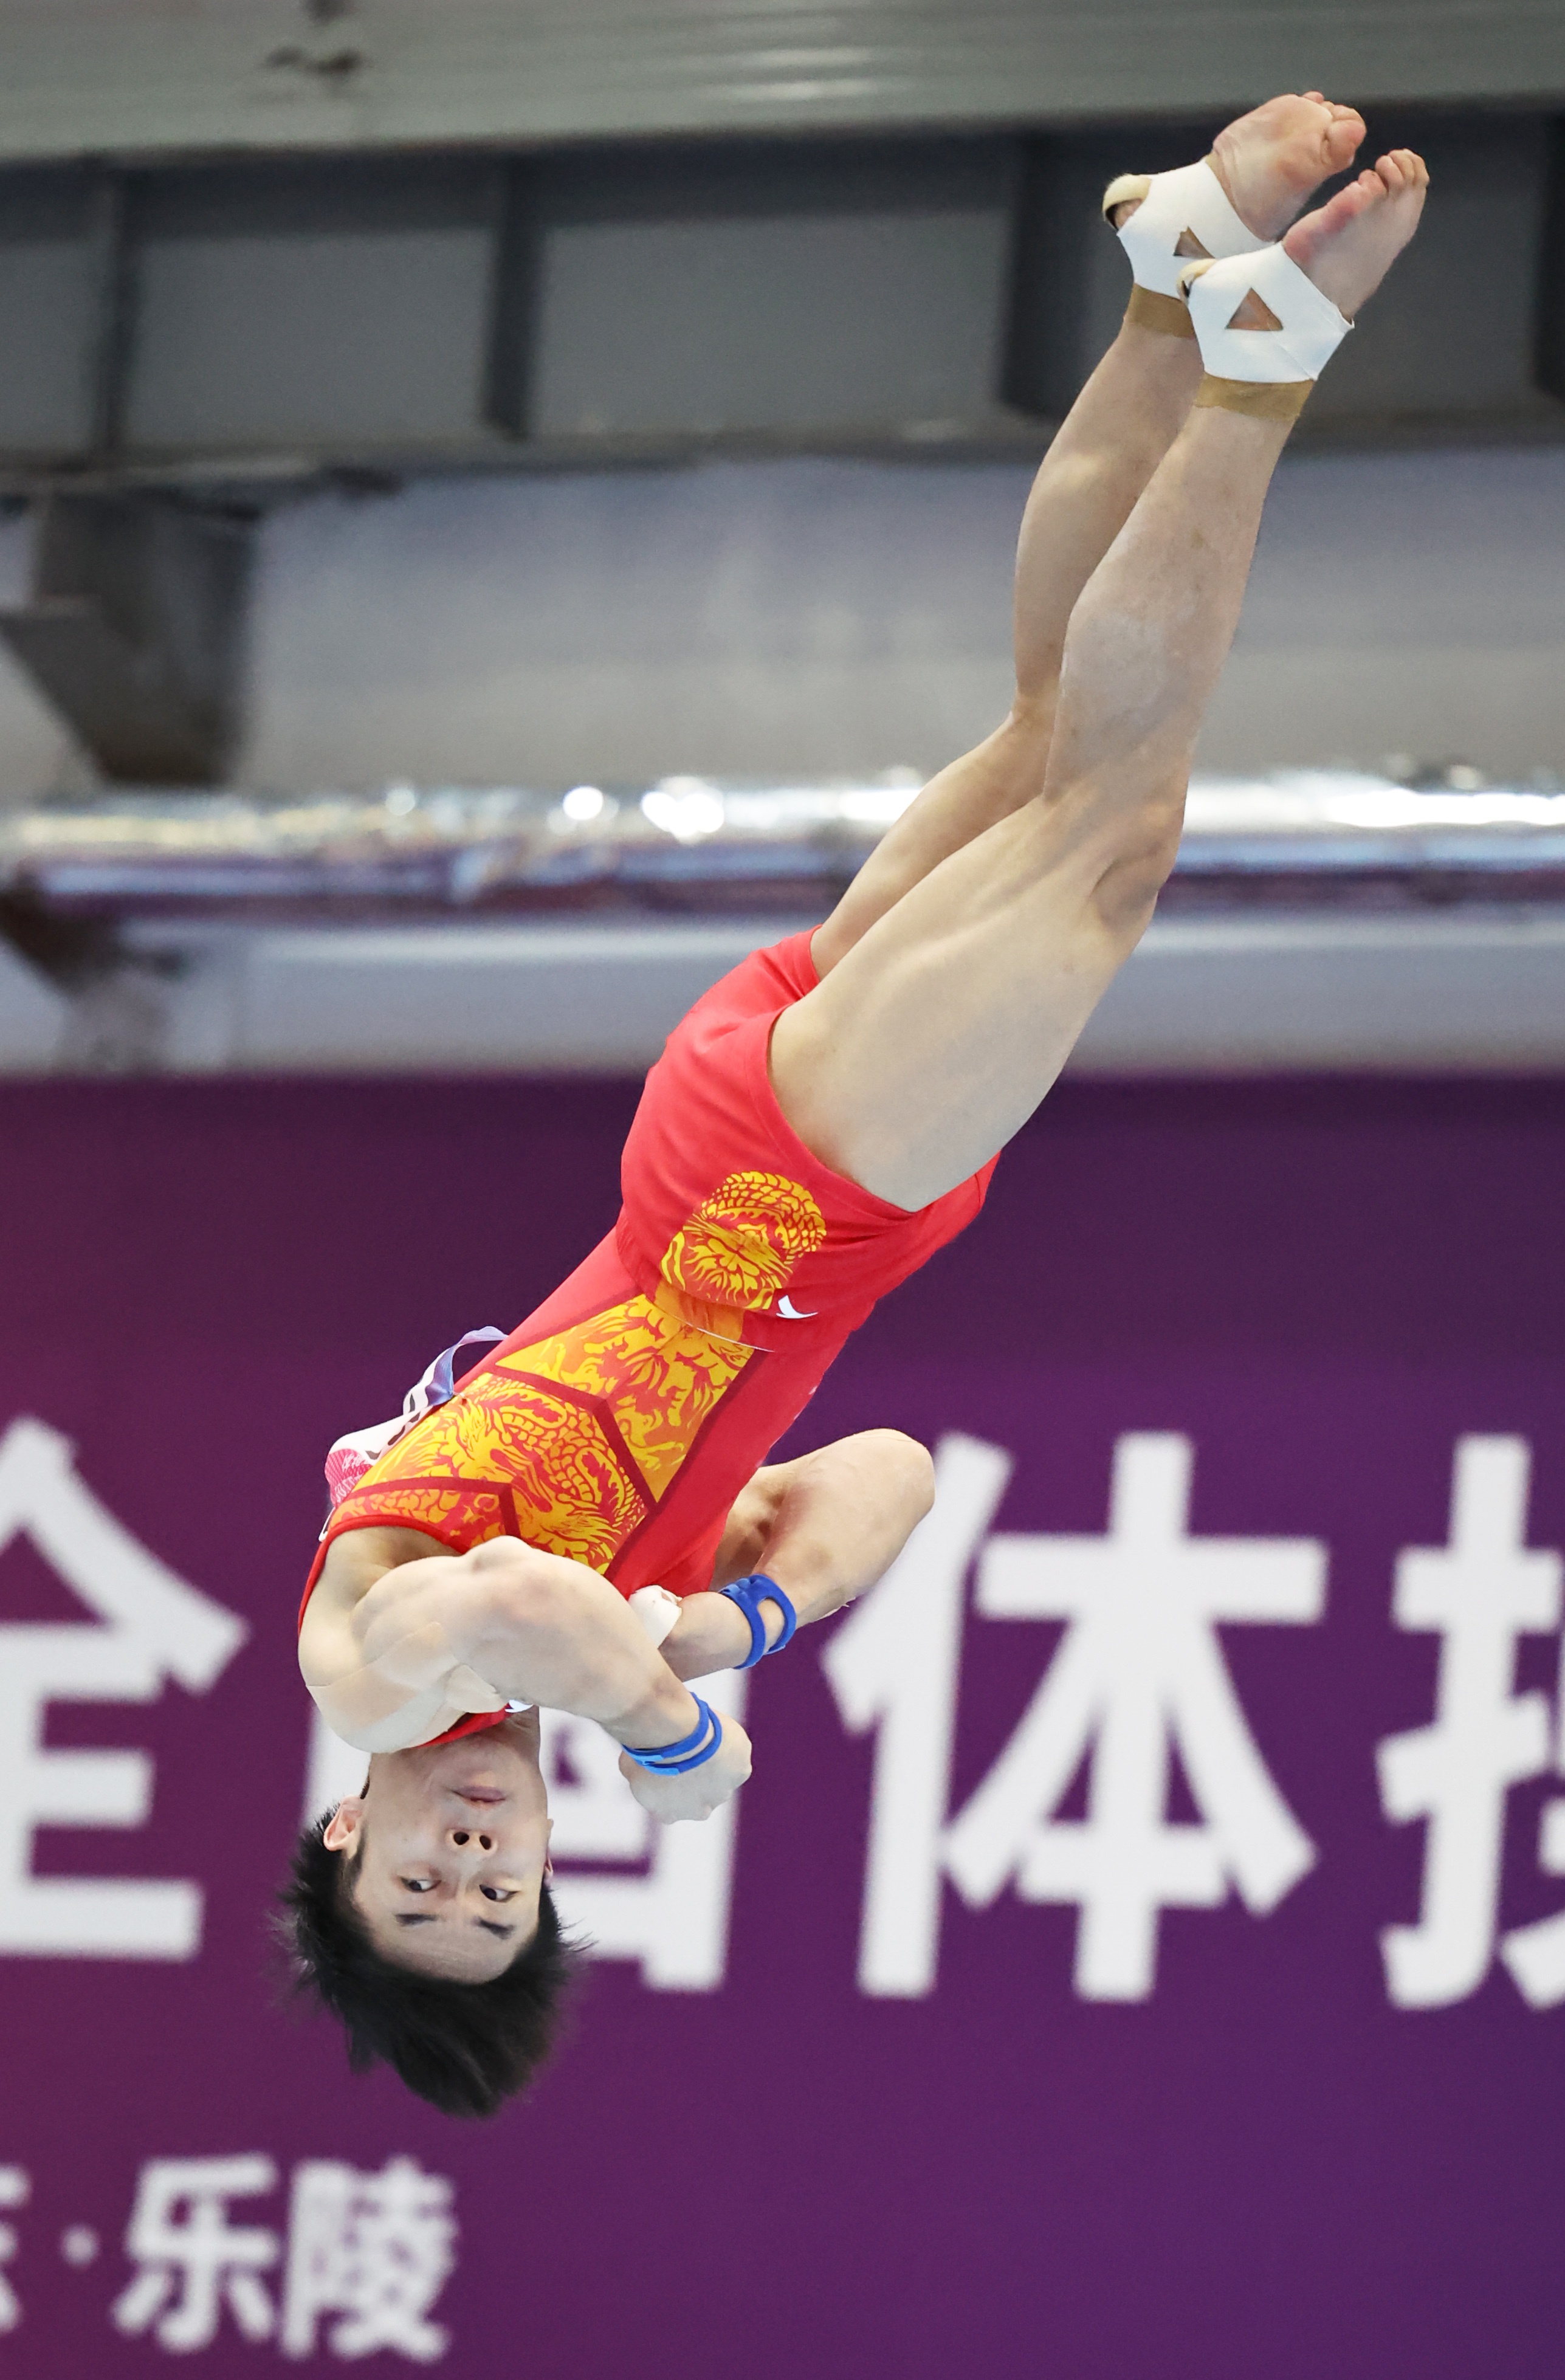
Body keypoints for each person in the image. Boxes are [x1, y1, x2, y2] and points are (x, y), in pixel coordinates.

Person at [283, 93, 1428, 2116]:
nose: (467, 1857)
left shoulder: (371, 1665)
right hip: (752, 1144)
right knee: (1052, 738)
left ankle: (1263, 365)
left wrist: (671, 1743)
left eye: (418, 1885)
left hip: (778, 1199)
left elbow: (514, 1601)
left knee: (1111, 843)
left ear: (344, 1831)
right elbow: (893, 1472)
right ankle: (1174, 284)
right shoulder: (646, 1602)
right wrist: (735, 1629)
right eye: (498, 1897)